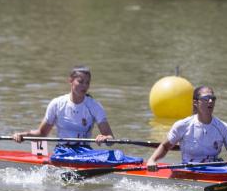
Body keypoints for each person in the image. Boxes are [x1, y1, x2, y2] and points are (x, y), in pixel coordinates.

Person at [12, 66, 140, 165]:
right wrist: (22, 135)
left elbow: (111, 139)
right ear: (71, 81)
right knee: (62, 157)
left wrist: (105, 138)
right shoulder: (57, 104)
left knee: (115, 154)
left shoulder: (94, 106)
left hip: (85, 153)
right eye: (81, 82)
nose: (85, 86)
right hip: (62, 152)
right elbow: (41, 134)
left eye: (87, 83)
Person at [146, 86, 227, 170]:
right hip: (187, 170)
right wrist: (152, 160)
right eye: (206, 98)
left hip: (213, 170)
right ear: (196, 102)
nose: (210, 101)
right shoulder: (183, 125)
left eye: (213, 98)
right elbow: (165, 146)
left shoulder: (223, 127)